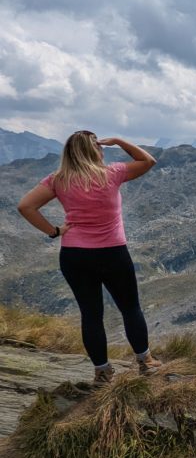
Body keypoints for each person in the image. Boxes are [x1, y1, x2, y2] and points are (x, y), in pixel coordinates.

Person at [17, 130, 162, 385]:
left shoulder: (57, 180)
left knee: (91, 314)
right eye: (98, 146)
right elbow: (148, 161)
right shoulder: (112, 173)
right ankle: (146, 362)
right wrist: (118, 140)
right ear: (93, 150)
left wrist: (55, 232)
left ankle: (102, 372)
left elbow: (25, 206)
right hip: (113, 253)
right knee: (130, 308)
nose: (102, 149)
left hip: (75, 256)